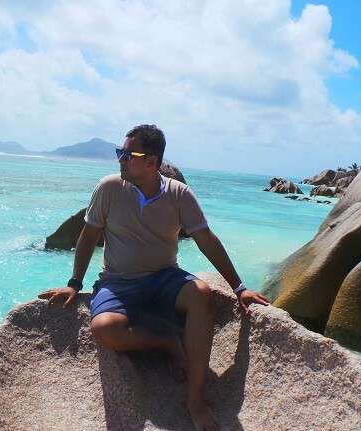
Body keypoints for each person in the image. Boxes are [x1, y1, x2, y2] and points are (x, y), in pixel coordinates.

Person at [39, 124, 270, 431]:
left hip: (164, 278)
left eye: (127, 154)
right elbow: (87, 235)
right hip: (117, 282)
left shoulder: (179, 195)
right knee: (104, 329)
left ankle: (195, 401)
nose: (120, 159)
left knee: (200, 293)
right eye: (119, 152)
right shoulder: (109, 188)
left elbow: (205, 239)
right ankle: (165, 340)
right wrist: (74, 284)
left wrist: (239, 288)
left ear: (151, 162)